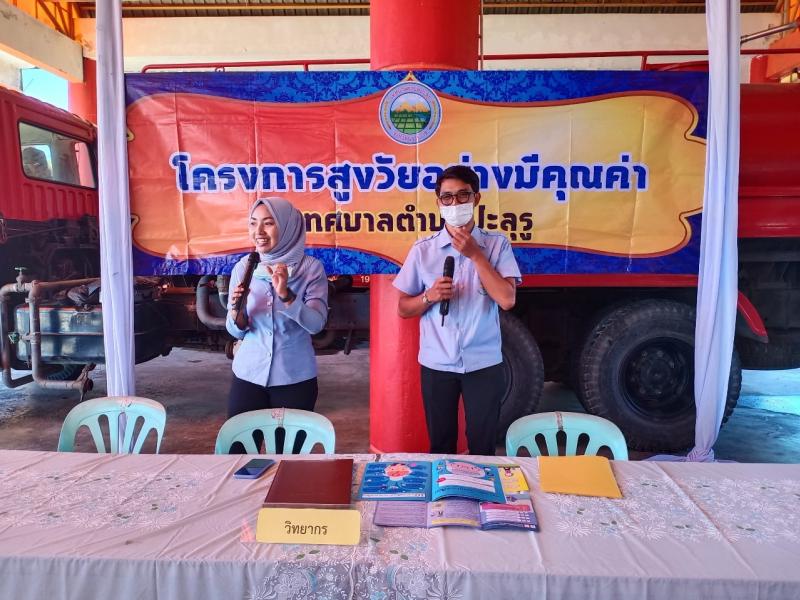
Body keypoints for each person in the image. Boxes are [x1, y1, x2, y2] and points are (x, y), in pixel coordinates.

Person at [394, 165, 521, 455]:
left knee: (483, 446)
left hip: (483, 362)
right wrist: (429, 296)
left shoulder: (496, 245)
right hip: (437, 363)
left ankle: (481, 486)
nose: (455, 203)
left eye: (463, 195)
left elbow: (507, 299)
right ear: (439, 203)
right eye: (447, 197)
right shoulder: (423, 250)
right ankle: (445, 488)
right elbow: (403, 308)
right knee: (441, 445)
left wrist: (476, 255)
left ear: (476, 198)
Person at [227, 197, 329, 423]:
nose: (259, 232)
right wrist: (237, 313)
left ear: (287, 227)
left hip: (294, 378)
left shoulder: (311, 269)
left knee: (289, 446)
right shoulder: (244, 267)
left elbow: (316, 325)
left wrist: (286, 295)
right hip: (248, 375)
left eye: (269, 223)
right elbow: (234, 331)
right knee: (239, 442)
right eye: (253, 223)